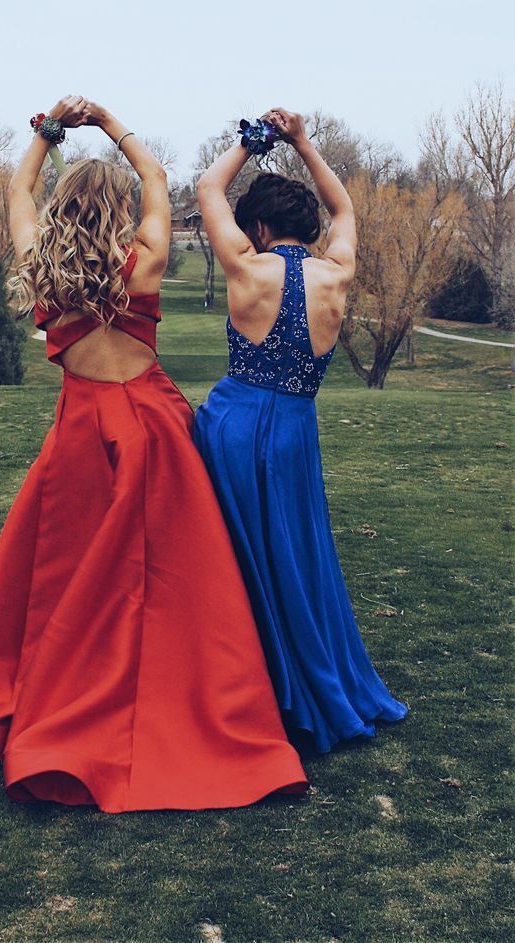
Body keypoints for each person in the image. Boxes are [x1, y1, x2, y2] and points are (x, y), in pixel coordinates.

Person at [0, 96, 308, 811]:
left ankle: (72, 702)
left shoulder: (44, 258)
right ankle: (185, 699)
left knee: (70, 583)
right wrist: (105, 122)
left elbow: (16, 191)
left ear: (67, 209)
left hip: (79, 430)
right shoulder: (147, 258)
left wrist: (48, 132)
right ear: (118, 210)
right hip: (154, 427)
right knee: (173, 582)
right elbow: (157, 174)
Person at [194, 107, 408, 753]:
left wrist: (252, 142)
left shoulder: (246, 266)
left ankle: (243, 687)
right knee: (293, 557)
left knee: (233, 560)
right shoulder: (334, 272)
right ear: (305, 226)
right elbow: (346, 212)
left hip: (233, 425)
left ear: (258, 226)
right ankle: (301, 683)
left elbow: (207, 188)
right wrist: (304, 144)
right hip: (294, 431)